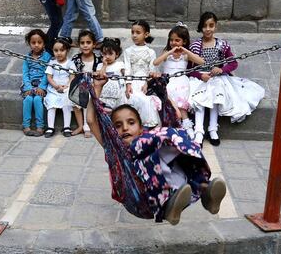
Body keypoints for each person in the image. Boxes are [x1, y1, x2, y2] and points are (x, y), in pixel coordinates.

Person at [87, 101, 227, 225]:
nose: (125, 128)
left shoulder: (147, 139)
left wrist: (161, 88)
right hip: (142, 197)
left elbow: (174, 118)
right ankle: (169, 206)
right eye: (118, 126)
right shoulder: (115, 150)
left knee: (170, 140)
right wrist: (95, 88)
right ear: (112, 132)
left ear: (141, 128)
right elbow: (91, 121)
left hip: (176, 184)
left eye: (131, 123)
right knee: (155, 147)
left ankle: (205, 190)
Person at [188, 12, 265, 146]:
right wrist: (200, 76)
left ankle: (213, 129)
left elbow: (233, 63)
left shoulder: (222, 45)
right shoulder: (195, 46)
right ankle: (199, 132)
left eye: (211, 25)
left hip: (217, 78)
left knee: (217, 96)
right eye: (205, 26)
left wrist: (221, 70)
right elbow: (189, 69)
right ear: (201, 27)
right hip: (200, 78)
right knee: (198, 99)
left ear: (215, 26)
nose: (208, 29)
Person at [153, 23, 204, 137]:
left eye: (177, 40)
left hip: (181, 81)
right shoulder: (167, 53)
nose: (173, 43)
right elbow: (156, 62)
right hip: (168, 80)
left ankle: (187, 126)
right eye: (171, 40)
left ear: (184, 42)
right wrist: (170, 51)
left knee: (181, 103)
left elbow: (201, 62)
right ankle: (171, 126)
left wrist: (186, 51)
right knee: (168, 98)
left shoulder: (185, 55)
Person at [122, 20, 161, 128]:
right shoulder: (128, 51)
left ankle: (145, 127)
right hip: (132, 82)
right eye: (132, 32)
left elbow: (152, 70)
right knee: (131, 98)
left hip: (145, 82)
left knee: (146, 101)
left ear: (146, 34)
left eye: (138, 33)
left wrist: (147, 83)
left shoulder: (150, 52)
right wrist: (128, 84)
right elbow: (128, 68)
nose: (134, 35)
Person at [69, 30, 100, 138]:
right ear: (79, 44)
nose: (85, 45)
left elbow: (100, 74)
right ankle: (80, 126)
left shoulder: (98, 59)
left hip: (93, 85)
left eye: (88, 42)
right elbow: (72, 75)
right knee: (75, 103)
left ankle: (87, 127)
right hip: (79, 84)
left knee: (88, 101)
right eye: (82, 43)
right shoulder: (76, 59)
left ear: (94, 44)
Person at [20, 29, 51, 136]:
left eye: (39, 42)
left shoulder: (47, 57)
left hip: (41, 86)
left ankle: (40, 126)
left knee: (38, 100)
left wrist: (42, 87)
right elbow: (25, 73)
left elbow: (48, 73)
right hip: (29, 86)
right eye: (33, 43)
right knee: (28, 100)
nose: (36, 45)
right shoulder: (27, 58)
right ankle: (26, 125)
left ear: (44, 43)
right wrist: (28, 87)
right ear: (29, 43)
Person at [44, 38, 75, 138]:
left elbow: (72, 77)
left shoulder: (70, 63)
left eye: (62, 50)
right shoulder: (52, 63)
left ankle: (66, 126)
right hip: (54, 89)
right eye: (56, 50)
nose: (59, 53)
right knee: (51, 105)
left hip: (66, 89)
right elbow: (49, 77)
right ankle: (50, 127)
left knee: (66, 105)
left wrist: (66, 86)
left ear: (67, 50)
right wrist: (56, 86)